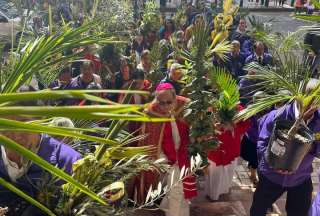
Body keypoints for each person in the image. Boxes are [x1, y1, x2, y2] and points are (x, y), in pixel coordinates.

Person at [0, 89, 81, 215]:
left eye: (23, 123)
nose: (15, 134)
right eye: (6, 124)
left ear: (40, 121)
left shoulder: (68, 162)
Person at [250, 79, 320, 216]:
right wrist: (273, 163)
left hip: (301, 177)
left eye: (317, 100)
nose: (313, 104)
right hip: (272, 176)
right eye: (310, 97)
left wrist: (311, 147)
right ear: (300, 95)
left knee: (299, 212)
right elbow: (262, 143)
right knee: (258, 210)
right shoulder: (277, 116)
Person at [134, 83, 197, 216]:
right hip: (165, 158)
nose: (166, 106)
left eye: (169, 102)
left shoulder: (185, 106)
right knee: (178, 188)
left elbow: (198, 125)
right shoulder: (152, 112)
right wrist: (163, 160)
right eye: (161, 103)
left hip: (184, 153)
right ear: (157, 100)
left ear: (175, 98)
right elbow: (150, 142)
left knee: (178, 189)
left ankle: (172, 209)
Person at [205, 105, 251, 201]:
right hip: (214, 147)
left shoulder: (238, 109)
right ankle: (213, 195)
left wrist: (232, 126)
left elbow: (246, 124)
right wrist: (212, 123)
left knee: (228, 172)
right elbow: (205, 117)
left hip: (231, 147)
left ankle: (223, 191)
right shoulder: (212, 105)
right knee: (214, 173)